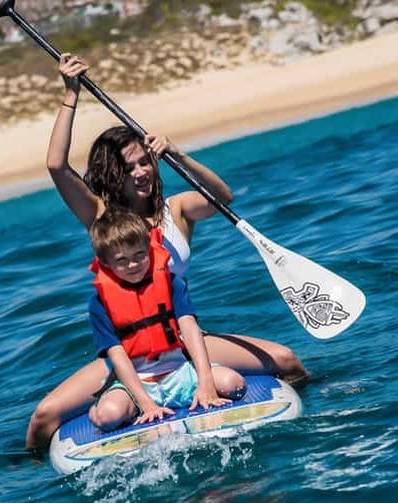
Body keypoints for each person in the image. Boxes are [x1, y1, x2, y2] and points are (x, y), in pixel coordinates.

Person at [26, 52, 309, 451]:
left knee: (286, 360)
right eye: (130, 168)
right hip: (127, 355)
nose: (141, 172)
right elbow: (57, 166)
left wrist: (176, 154)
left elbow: (222, 196)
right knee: (43, 418)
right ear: (113, 176)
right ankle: (32, 476)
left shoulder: (176, 209)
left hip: (184, 342)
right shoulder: (102, 217)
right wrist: (71, 94)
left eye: (146, 163)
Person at [87, 210, 245, 430]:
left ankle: (202, 385)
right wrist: (147, 404)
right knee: (107, 417)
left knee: (233, 384)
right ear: (105, 262)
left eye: (140, 255)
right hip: (138, 385)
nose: (133, 265)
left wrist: (205, 383)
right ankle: (96, 408)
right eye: (122, 260)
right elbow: (117, 356)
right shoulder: (99, 303)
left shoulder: (172, 283)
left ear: (150, 250)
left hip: (180, 373)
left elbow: (190, 330)